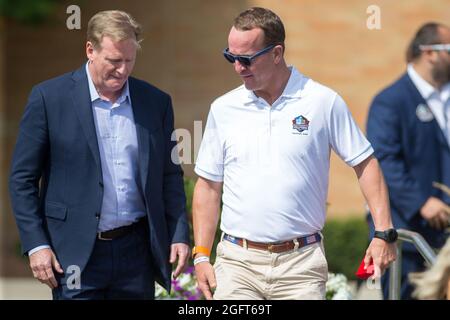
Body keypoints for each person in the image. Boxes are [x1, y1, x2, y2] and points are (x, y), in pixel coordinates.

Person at [192, 7, 397, 300]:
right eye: (231, 57)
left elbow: (365, 164)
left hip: (302, 265)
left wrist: (382, 232)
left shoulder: (322, 102)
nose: (238, 67)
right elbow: (208, 186)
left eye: (247, 59)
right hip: (237, 263)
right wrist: (201, 254)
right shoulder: (223, 109)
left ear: (277, 53)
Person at [8, 10, 189, 299]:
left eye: (129, 60)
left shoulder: (156, 102)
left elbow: (169, 175)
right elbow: (22, 179)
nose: (123, 70)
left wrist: (179, 234)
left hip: (136, 254)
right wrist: (36, 244)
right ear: (90, 50)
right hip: (74, 255)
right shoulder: (49, 98)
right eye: (114, 61)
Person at [366, 22, 450, 300]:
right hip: (410, 234)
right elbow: (383, 161)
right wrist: (421, 201)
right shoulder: (390, 101)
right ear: (430, 53)